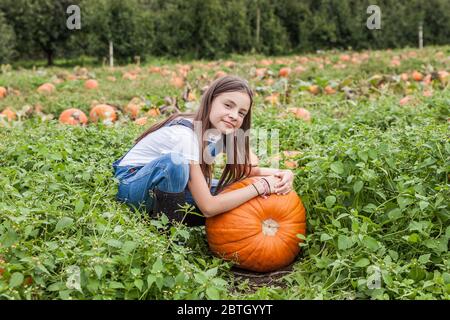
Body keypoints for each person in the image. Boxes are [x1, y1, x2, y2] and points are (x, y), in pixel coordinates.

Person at [113, 75, 294, 226]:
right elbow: (208, 207)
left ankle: (171, 217)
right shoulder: (185, 136)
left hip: (170, 189)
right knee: (174, 163)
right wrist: (261, 186)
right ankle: (168, 234)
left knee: (236, 189)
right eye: (228, 105)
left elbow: (247, 171)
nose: (234, 115)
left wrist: (281, 173)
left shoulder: (221, 131)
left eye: (241, 112)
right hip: (134, 186)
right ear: (211, 100)